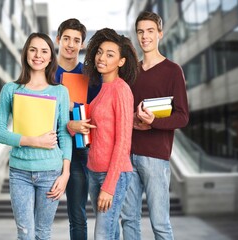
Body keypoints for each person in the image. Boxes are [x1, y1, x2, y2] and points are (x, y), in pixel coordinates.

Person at [0, 32, 72, 240]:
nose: (38, 55)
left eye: (44, 51)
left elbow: (64, 133)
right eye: (33, 49)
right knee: (25, 234)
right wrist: (33, 141)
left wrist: (65, 174)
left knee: (43, 233)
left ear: (50, 57)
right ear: (26, 53)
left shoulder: (60, 91)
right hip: (19, 173)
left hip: (51, 173)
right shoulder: (10, 89)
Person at [120, 11, 189, 240]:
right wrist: (132, 120)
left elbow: (182, 116)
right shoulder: (130, 72)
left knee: (160, 224)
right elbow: (123, 111)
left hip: (157, 159)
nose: (145, 36)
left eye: (150, 31)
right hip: (128, 155)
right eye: (140, 32)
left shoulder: (173, 71)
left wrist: (154, 122)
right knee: (128, 220)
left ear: (160, 33)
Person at [82, 28, 139, 239]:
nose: (101, 57)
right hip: (93, 171)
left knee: (102, 235)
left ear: (121, 62)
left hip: (112, 174)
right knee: (111, 233)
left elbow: (123, 142)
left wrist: (109, 186)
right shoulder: (100, 91)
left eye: (110, 54)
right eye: (99, 52)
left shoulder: (121, 90)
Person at [55, 18, 101, 240]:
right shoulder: (44, 70)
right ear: (58, 39)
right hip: (47, 149)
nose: (71, 45)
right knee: (38, 218)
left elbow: (97, 113)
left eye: (76, 40)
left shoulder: (90, 77)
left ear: (82, 44)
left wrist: (75, 109)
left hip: (78, 152)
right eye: (66, 39)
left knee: (77, 215)